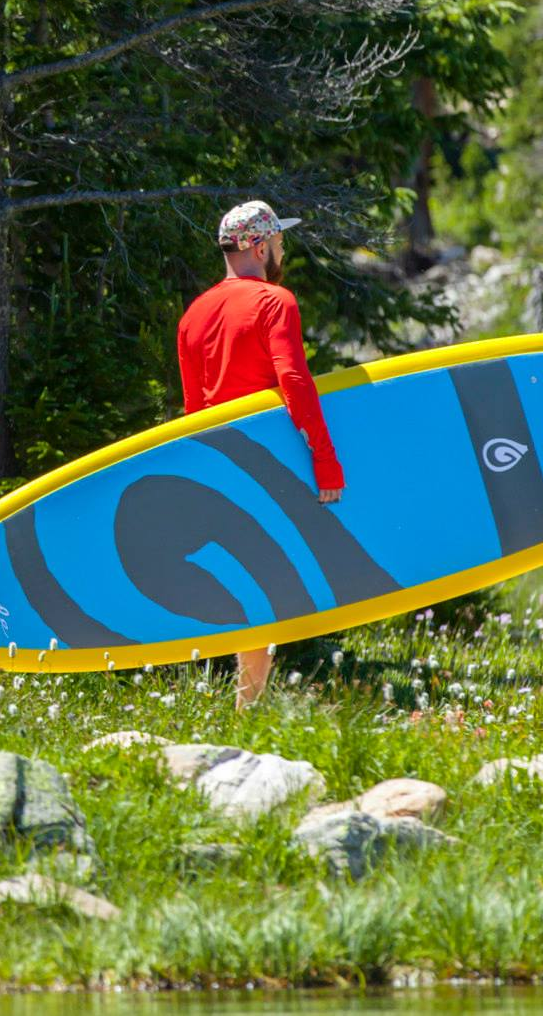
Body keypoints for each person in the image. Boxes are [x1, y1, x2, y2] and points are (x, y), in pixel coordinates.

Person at [175, 200, 345, 710]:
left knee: (250, 584)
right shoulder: (275, 302)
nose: (282, 251)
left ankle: (245, 710)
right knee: (273, 582)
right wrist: (325, 459)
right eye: (279, 242)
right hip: (269, 461)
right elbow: (293, 379)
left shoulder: (193, 314)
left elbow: (190, 408)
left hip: (216, 465)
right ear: (261, 245)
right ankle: (247, 710)